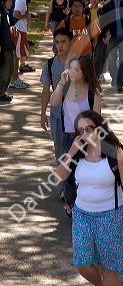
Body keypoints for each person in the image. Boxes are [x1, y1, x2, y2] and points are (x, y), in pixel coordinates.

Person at [55, 110, 123, 286]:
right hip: (82, 213)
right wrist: (72, 152)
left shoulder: (115, 151)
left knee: (110, 266)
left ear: (99, 127)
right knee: (81, 263)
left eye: (89, 128)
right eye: (80, 131)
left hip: (112, 214)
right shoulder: (78, 153)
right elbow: (58, 177)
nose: (85, 133)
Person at [50, 55, 102, 216]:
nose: (71, 72)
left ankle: (84, 204)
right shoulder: (65, 87)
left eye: (75, 69)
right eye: (70, 68)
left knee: (86, 174)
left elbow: (97, 118)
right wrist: (60, 82)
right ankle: (71, 203)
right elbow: (54, 102)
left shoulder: (93, 92)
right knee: (67, 175)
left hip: (86, 138)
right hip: (67, 136)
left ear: (84, 72)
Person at [40, 28, 72, 199]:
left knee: (76, 152)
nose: (60, 46)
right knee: (60, 150)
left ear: (70, 42)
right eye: (57, 42)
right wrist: (42, 113)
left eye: (63, 42)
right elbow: (45, 91)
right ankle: (63, 187)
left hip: (76, 117)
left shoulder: (79, 63)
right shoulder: (50, 64)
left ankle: (74, 184)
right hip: (57, 115)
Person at [9, 0, 33, 89]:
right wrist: (26, 16)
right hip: (18, 30)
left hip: (18, 29)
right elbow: (15, 14)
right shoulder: (21, 0)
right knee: (16, 56)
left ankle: (15, 78)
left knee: (17, 55)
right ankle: (14, 80)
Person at [0, 0, 14, 103]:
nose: (12, 2)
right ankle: (1, 93)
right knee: (4, 71)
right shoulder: (0, 14)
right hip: (3, 48)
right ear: (3, 2)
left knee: (9, 70)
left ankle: (3, 91)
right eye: (9, 0)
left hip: (8, 46)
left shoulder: (6, 12)